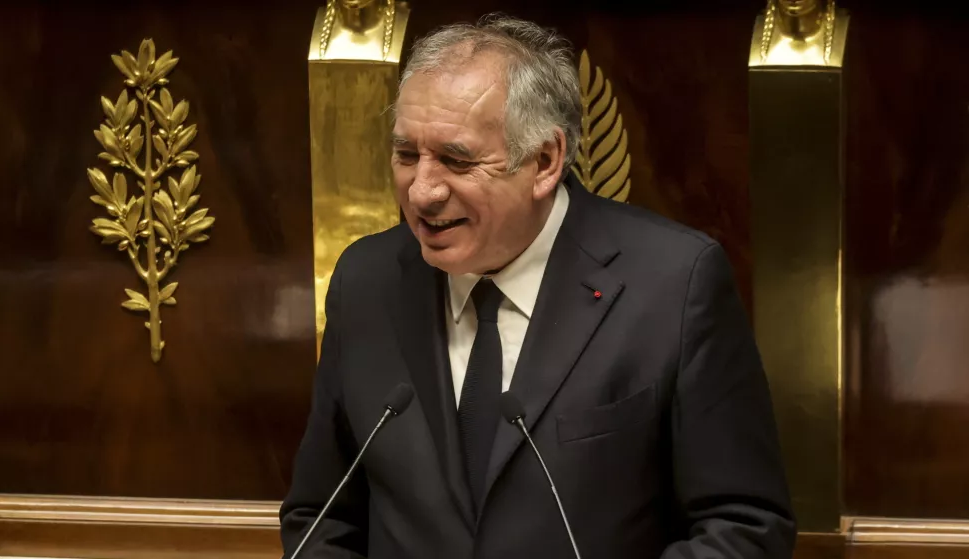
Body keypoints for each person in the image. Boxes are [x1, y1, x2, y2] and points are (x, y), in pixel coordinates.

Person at [280, 13, 796, 559]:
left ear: (545, 161)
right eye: (407, 155)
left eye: (456, 160)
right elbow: (321, 518)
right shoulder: (367, 280)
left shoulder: (674, 284)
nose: (422, 191)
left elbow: (743, 526)